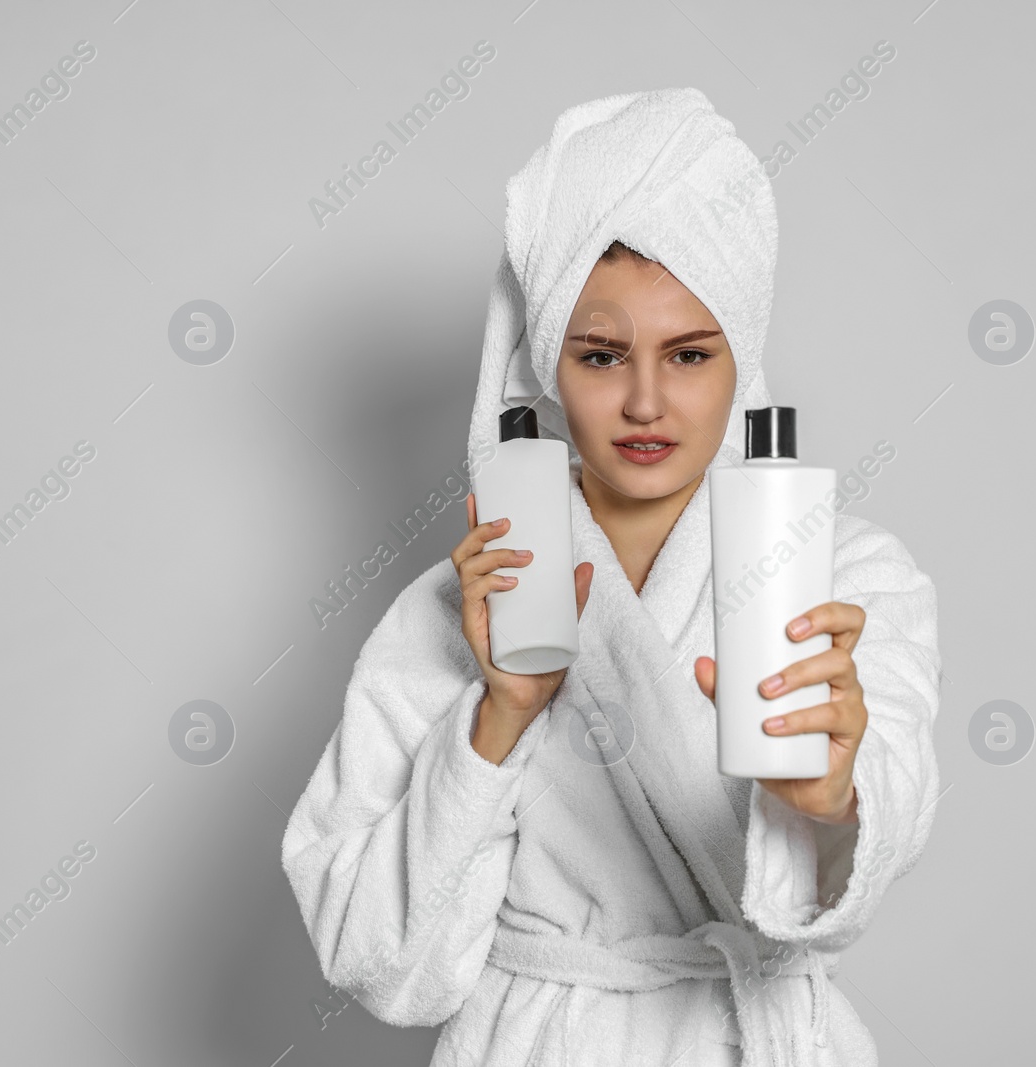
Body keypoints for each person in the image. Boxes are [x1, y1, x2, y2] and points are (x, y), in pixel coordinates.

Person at [282, 88, 941, 1067]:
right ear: (548, 361)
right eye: (600, 355)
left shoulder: (848, 572)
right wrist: (499, 711)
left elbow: (863, 852)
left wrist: (835, 793)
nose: (643, 400)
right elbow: (376, 953)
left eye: (687, 353)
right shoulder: (455, 607)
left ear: (741, 354)